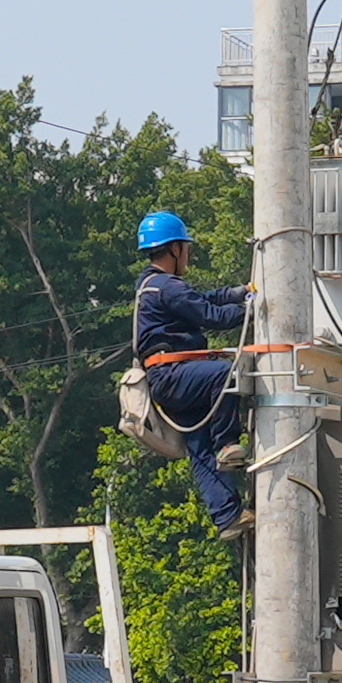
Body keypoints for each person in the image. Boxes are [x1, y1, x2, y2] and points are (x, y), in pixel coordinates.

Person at [132, 210, 252, 538]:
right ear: (174, 249)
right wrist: (249, 311)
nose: (188, 255)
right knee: (225, 375)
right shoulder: (165, 286)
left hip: (173, 379)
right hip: (172, 374)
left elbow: (201, 299)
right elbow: (209, 314)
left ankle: (227, 516)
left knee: (200, 445)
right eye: (186, 249)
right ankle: (228, 444)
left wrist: (237, 293)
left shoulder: (154, 286)